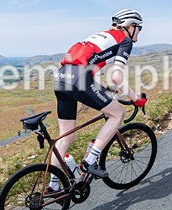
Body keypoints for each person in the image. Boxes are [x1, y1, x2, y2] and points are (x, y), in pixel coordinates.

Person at [50, 9, 147, 182]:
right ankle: (91, 160)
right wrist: (136, 98)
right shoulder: (124, 40)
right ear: (130, 26)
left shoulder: (99, 35)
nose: (139, 31)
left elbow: (83, 65)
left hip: (61, 78)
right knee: (117, 113)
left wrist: (106, 89)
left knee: (66, 137)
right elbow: (117, 77)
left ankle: (53, 186)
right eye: (139, 27)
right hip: (79, 79)